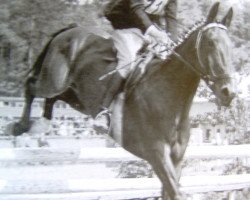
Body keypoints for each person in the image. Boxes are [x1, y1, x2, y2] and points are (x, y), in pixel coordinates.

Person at [95, 0, 178, 130]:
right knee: (127, 61)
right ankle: (103, 112)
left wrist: (172, 42)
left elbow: (171, 19)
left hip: (149, 26)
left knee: (167, 58)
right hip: (125, 23)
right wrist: (155, 33)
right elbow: (136, 10)